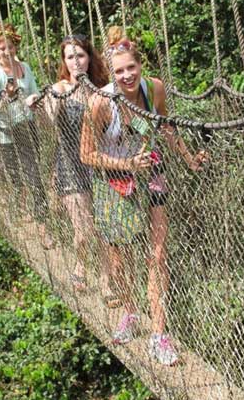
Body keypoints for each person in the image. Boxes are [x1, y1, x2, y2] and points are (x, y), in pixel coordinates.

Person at [80, 26, 207, 367]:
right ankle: (130, 312)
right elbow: (86, 154)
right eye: (119, 71)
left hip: (151, 175)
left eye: (131, 68)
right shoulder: (100, 104)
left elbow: (165, 126)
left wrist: (188, 157)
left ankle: (159, 335)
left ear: (140, 65)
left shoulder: (154, 89)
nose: (126, 76)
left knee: (157, 254)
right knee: (120, 260)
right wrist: (124, 163)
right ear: (111, 73)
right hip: (113, 181)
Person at [41, 34, 108, 291]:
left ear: (89, 58)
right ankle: (80, 266)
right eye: (70, 57)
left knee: (103, 229)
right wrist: (46, 103)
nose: (76, 62)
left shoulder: (101, 91)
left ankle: (106, 280)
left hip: (98, 166)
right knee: (84, 229)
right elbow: (50, 116)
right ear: (64, 61)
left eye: (80, 55)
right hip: (69, 166)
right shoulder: (59, 90)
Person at [0, 22, 52, 247]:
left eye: (10, 47)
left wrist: (38, 100)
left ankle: (44, 228)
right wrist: (8, 96)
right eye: (2, 48)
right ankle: (17, 213)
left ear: (16, 47)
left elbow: (35, 91)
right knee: (14, 177)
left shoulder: (25, 67)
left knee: (34, 177)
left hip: (27, 126)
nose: (6, 52)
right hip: (4, 130)